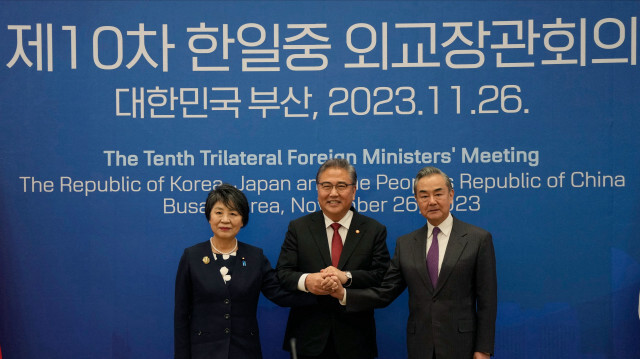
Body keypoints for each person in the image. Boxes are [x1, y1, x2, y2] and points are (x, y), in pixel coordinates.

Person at [330, 166, 497, 359]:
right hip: (421, 346)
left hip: (463, 346)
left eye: (438, 194)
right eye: (424, 196)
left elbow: (487, 301)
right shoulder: (406, 243)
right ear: (416, 200)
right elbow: (385, 292)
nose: (432, 201)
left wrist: (483, 349)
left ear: (451, 195)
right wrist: (344, 294)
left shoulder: (477, 239)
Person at [174, 184, 315, 359]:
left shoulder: (255, 257)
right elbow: (181, 315)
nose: (225, 220)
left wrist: (319, 291)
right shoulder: (192, 256)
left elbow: (279, 294)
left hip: (245, 351)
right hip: (203, 352)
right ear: (209, 216)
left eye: (233, 213)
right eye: (219, 212)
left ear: (243, 220)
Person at [276, 158, 390, 359]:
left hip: (356, 340)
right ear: (318, 189)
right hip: (308, 338)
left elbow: (381, 276)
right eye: (326, 186)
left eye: (342, 186)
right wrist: (307, 282)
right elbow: (283, 274)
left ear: (354, 190)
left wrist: (346, 277)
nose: (333, 193)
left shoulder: (373, 230)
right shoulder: (299, 228)